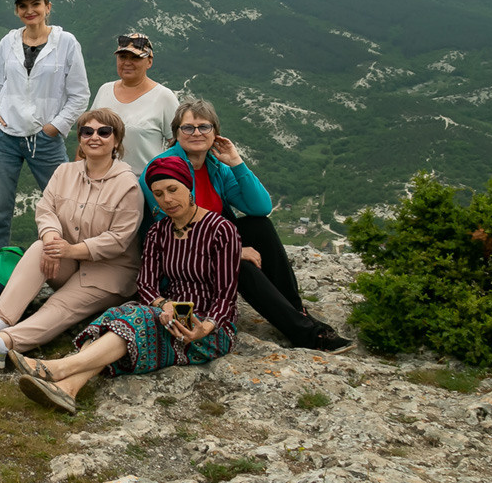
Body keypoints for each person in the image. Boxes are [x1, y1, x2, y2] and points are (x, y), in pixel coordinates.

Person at [11, 156, 239, 414]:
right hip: (169, 315)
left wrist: (203, 328)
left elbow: (226, 295)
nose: (167, 200)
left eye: (173, 190)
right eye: (159, 194)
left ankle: (62, 367)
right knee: (115, 315)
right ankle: (68, 389)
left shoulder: (222, 230)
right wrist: (164, 305)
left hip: (209, 326)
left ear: (190, 187)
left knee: (139, 321)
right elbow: (146, 284)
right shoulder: (158, 232)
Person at [140, 99, 352, 353]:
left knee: (259, 226)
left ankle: (296, 311)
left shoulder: (215, 166)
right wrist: (233, 250)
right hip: (179, 259)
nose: (196, 133)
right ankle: (307, 334)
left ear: (215, 133)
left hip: (211, 241)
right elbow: (176, 233)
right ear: (176, 134)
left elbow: (260, 207)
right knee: (239, 265)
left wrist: (237, 162)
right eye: (188, 128)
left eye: (204, 127)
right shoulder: (163, 170)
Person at [0, 108, 142, 369]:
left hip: (109, 273)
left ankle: (2, 345)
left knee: (59, 303)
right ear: (79, 137)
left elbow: (118, 240)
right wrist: (53, 240)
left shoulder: (127, 185)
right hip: (69, 261)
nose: (94, 137)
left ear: (117, 140)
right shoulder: (65, 172)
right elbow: (46, 210)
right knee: (38, 247)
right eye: (87, 131)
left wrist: (69, 251)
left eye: (104, 132)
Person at [0, 0, 90, 258]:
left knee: (66, 207)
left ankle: (69, 269)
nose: (30, 11)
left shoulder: (66, 43)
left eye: (35, 4)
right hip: (3, 136)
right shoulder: (8, 42)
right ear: (17, 11)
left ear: (48, 7)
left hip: (45, 139)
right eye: (23, 6)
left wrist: (55, 127)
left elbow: (80, 94)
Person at [90, 33, 180, 175]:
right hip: (102, 181)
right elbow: (87, 136)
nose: (127, 62)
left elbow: (179, 145)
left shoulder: (164, 97)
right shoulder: (104, 90)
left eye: (135, 57)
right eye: (122, 57)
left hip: (143, 184)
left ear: (149, 62)